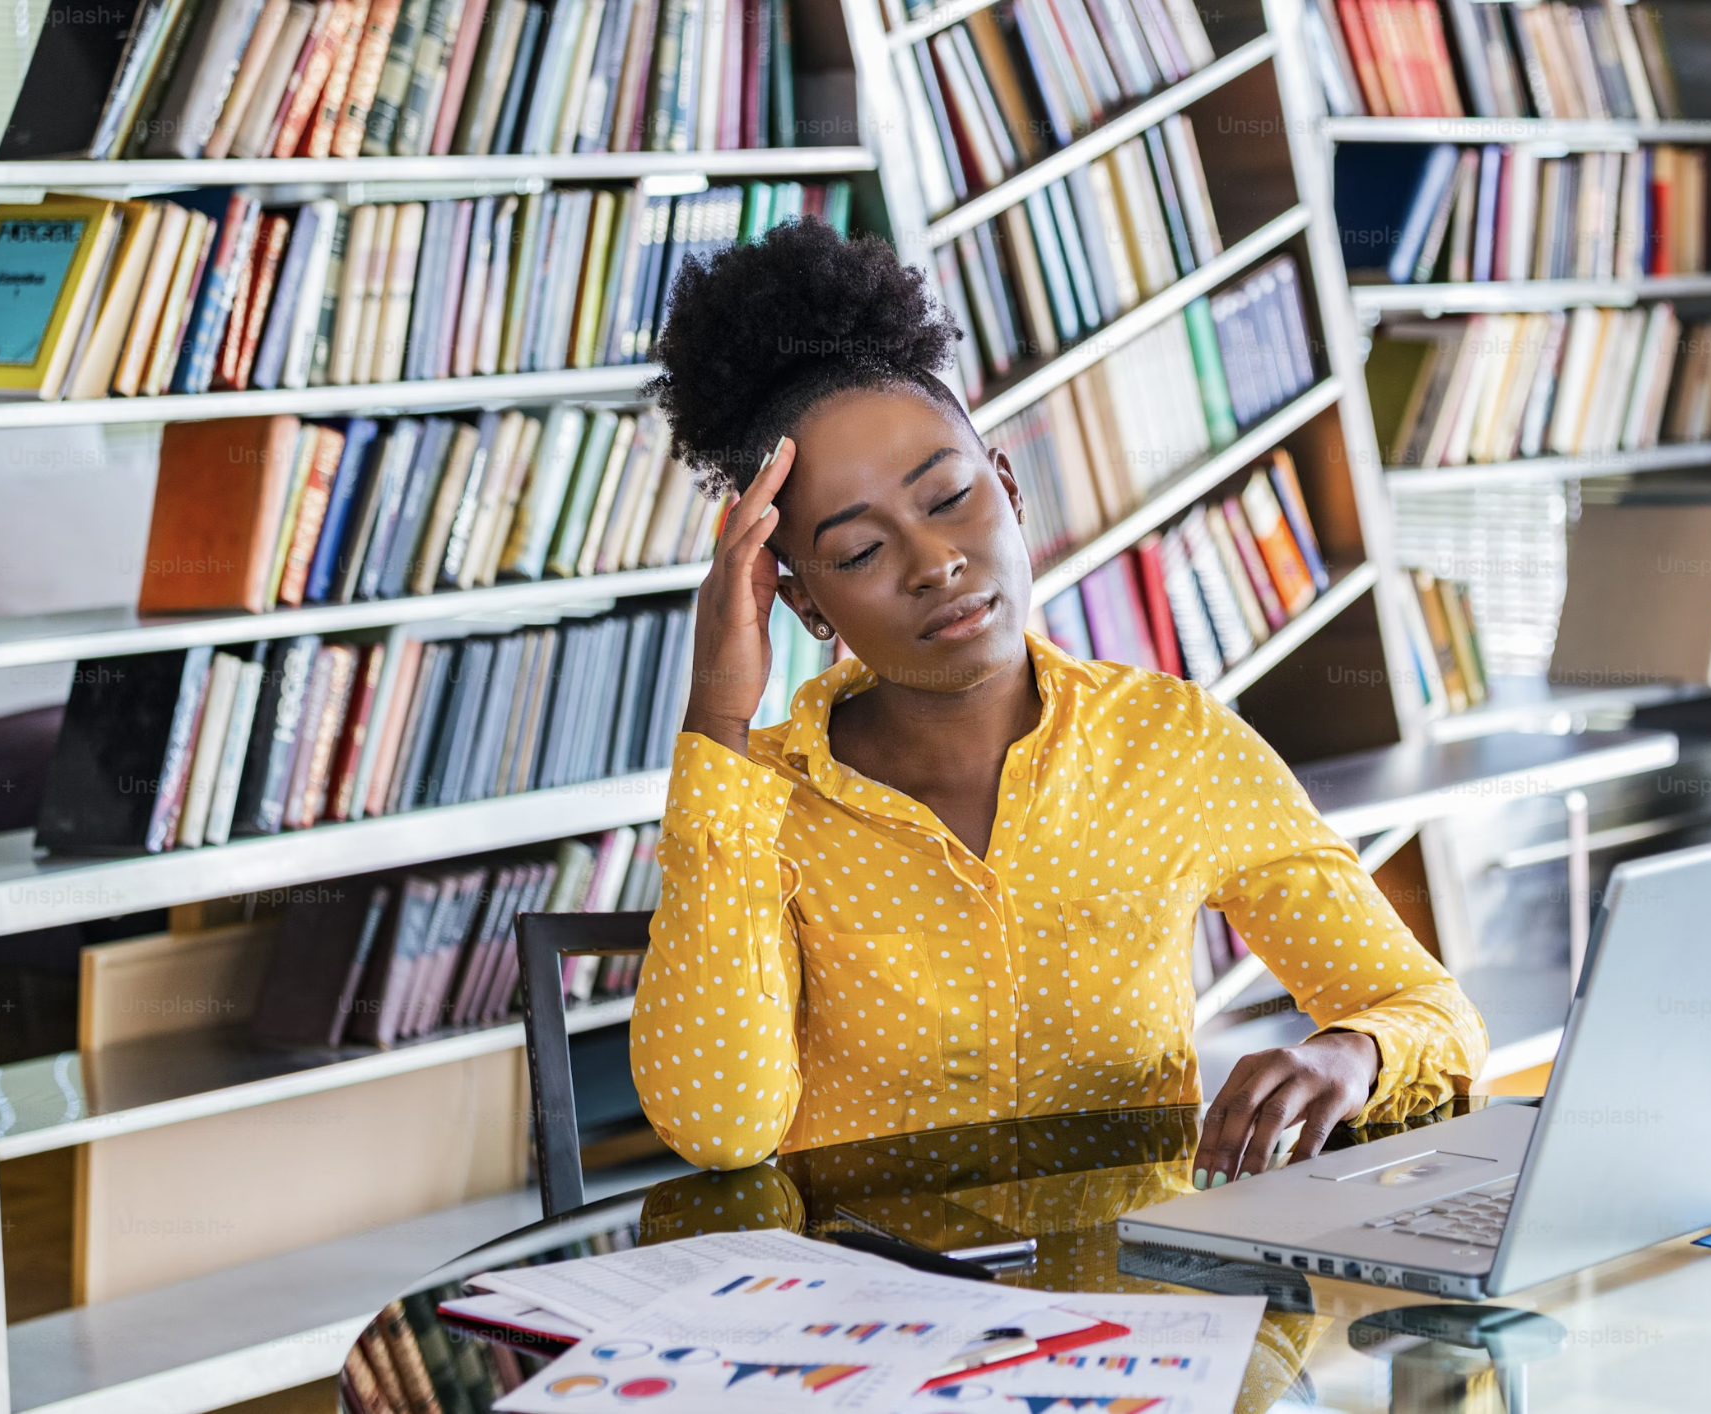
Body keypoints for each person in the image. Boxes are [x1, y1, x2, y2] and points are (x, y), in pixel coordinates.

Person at [630, 218, 1487, 1189]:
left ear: (1007, 487)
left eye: (949, 496)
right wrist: (718, 720)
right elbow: (719, 1126)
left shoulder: (1171, 743)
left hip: (1146, 1307)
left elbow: (1430, 1012)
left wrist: (1349, 1053)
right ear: (800, 599)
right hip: (891, 1317)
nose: (934, 561)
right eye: (861, 550)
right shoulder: (762, 803)